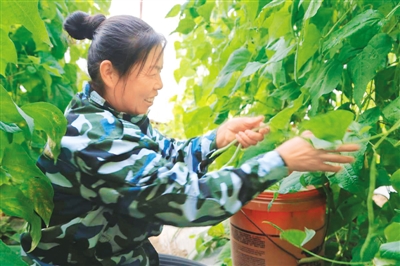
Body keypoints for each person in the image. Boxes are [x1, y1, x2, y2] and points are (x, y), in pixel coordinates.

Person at [21, 11, 359, 266]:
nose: (160, 84)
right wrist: (280, 160)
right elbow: (188, 200)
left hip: (123, 255)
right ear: (109, 72)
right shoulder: (93, 137)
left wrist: (215, 139)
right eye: (151, 71)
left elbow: (162, 156)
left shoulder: (115, 118)